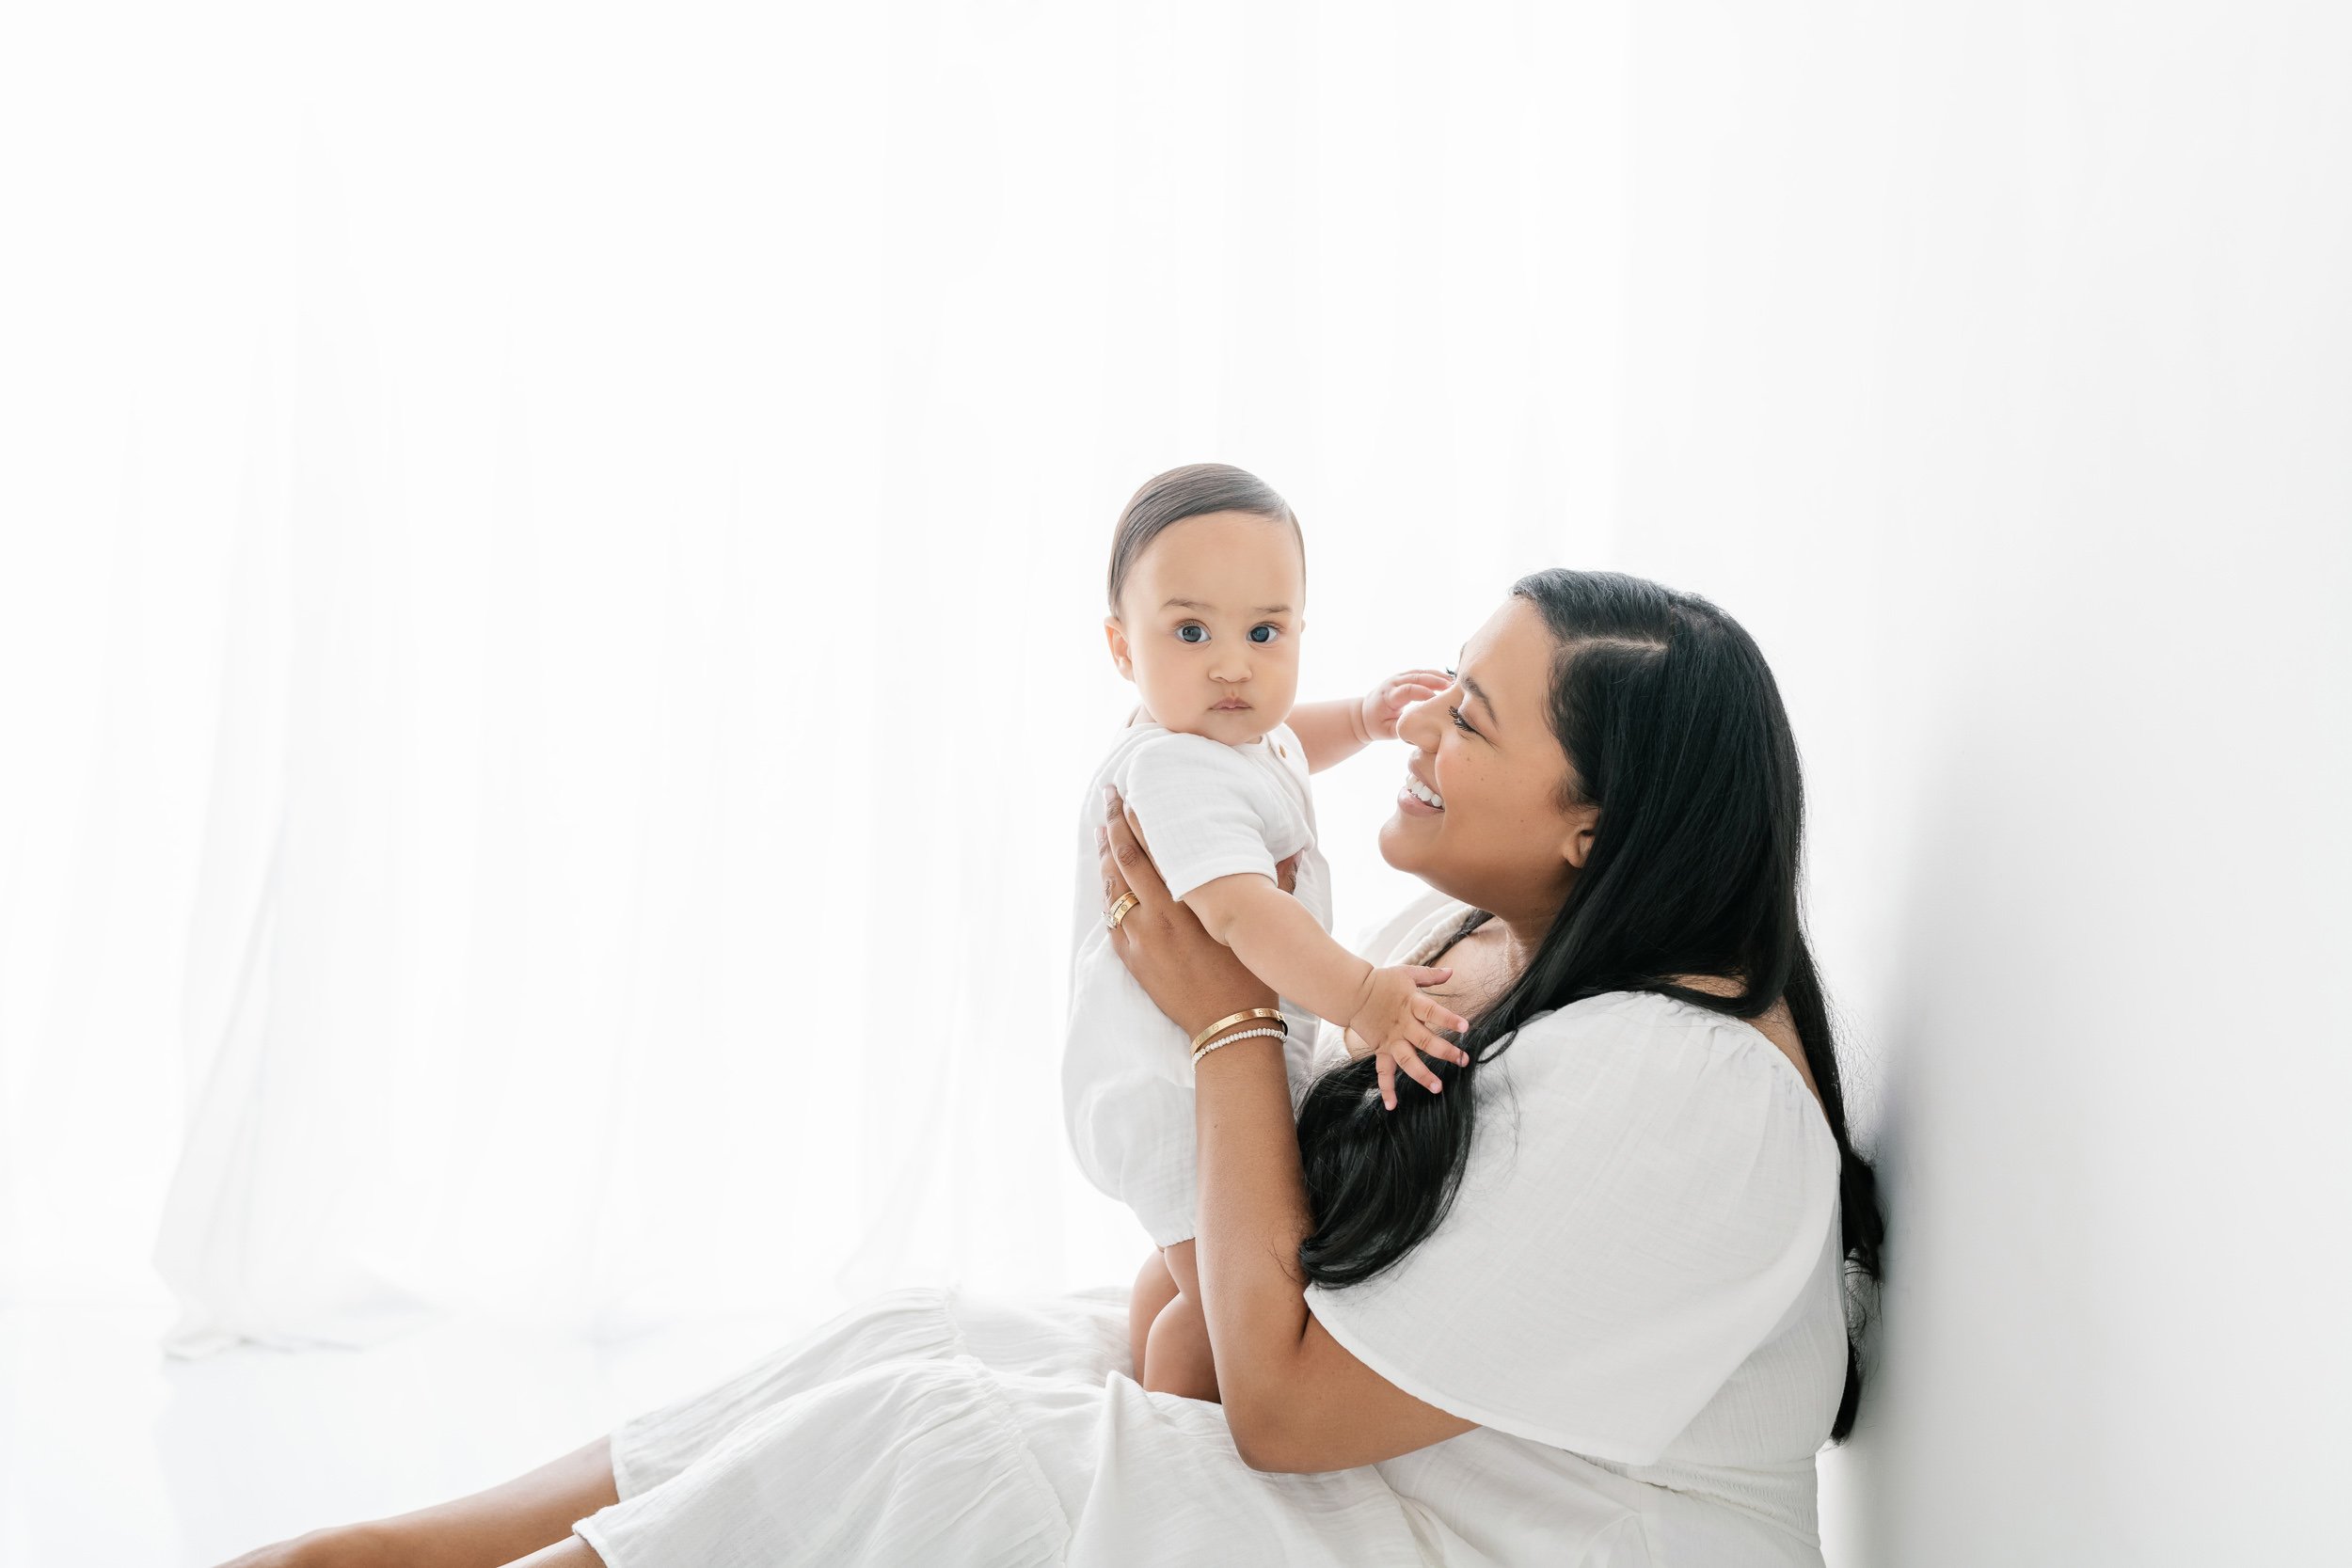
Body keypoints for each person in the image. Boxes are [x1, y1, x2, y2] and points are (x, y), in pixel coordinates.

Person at [217, 568, 1885, 1568]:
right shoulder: (1503, 950)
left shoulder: (1690, 1092)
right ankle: (424, 1547)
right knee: (919, 1331)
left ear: (1596, 823)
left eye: (1476, 716)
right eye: (1445, 685)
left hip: (1465, 1532)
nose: (1423, 726)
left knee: (932, 1436)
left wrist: (1229, 1018)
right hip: (1394, 1450)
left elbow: (1292, 1405)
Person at [1066, 461, 1468, 1406]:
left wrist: (1364, 720)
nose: (1234, 663)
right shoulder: (1174, 767)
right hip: (1168, 1080)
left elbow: (1292, 746)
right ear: (1123, 647)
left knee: (1186, 1263)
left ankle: (1150, 1334)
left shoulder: (1233, 732)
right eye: (1192, 630)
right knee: (1220, 1301)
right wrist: (1365, 995)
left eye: (1264, 630)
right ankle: (1172, 1415)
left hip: (1184, 1064)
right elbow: (1241, 912)